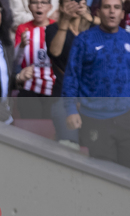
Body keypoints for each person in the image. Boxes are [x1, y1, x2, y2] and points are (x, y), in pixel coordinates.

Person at [62, 0, 130, 169]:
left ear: (122, 14)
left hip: (126, 118)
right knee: (104, 174)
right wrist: (71, 110)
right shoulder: (84, 40)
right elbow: (72, 77)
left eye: (117, 8)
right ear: (98, 12)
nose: (112, 12)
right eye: (107, 7)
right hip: (94, 119)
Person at [45, 0, 96, 147]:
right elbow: (55, 52)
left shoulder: (94, 30)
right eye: (70, 2)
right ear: (61, 7)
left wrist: (89, 18)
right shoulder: (53, 29)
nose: (75, 5)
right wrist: (65, 21)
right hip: (64, 96)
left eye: (79, 1)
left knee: (98, 148)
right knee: (69, 146)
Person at [14, 0, 56, 118]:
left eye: (43, 2)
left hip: (53, 89)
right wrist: (21, 46)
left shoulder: (57, 28)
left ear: (50, 7)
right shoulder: (22, 29)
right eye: (35, 2)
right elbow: (15, 62)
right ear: (29, 7)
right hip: (29, 87)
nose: (39, 5)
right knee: (30, 129)